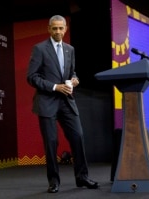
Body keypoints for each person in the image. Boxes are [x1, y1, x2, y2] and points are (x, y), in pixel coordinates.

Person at [26, 15, 99, 193]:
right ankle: (53, 181)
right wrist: (54, 87)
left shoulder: (70, 49)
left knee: (78, 137)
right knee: (51, 142)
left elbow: (72, 72)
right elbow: (32, 77)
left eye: (61, 28)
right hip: (47, 102)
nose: (58, 31)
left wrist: (74, 80)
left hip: (67, 101)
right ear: (49, 29)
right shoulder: (40, 49)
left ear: (65, 29)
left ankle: (82, 177)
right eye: (54, 28)